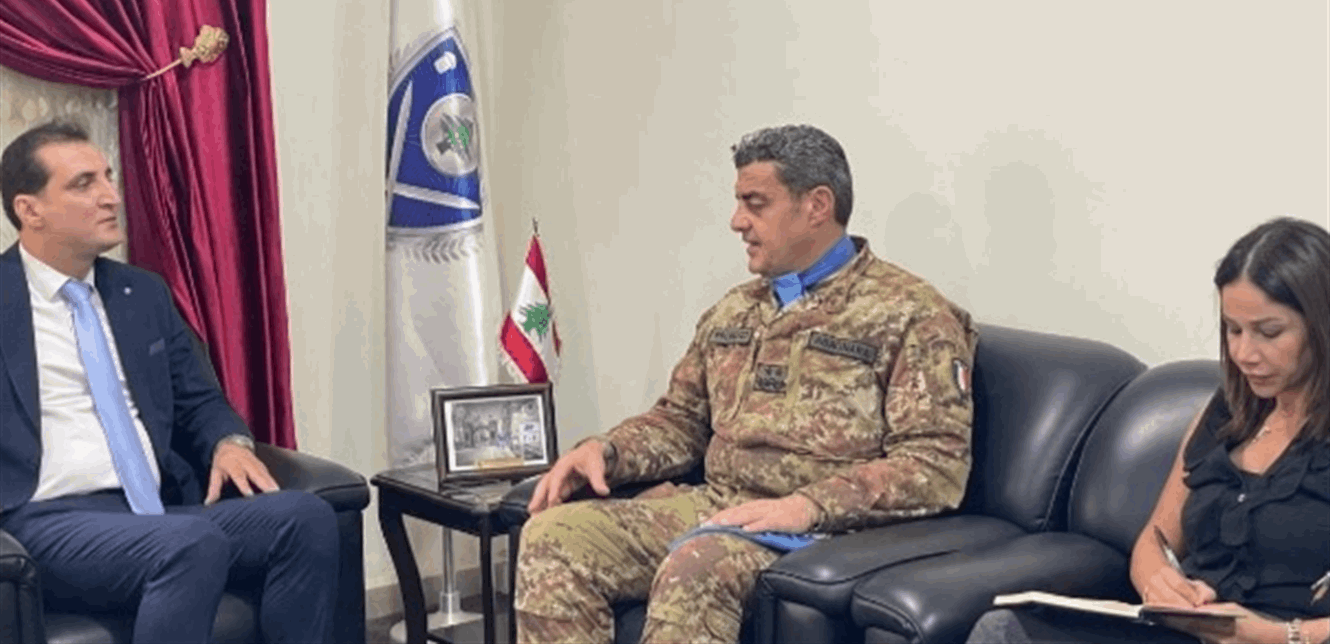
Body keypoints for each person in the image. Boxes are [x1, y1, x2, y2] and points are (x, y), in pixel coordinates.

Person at [514, 124, 979, 644]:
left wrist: (808, 506)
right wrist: (607, 450)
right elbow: (681, 421)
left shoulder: (911, 314)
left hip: (822, 529)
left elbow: (934, 465)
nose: (737, 221)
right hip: (720, 505)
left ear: (816, 205)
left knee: (697, 565)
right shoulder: (735, 310)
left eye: (755, 204)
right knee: (553, 536)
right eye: (739, 203)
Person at [0, 121, 338, 643]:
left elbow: (198, 399)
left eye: (108, 177)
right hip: (47, 520)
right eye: (84, 184)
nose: (111, 196)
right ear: (30, 209)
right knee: (189, 544)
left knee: (305, 517)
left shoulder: (142, 293)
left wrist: (228, 443)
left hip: (154, 510)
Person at [967, 217, 1330, 644]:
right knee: (1003, 631)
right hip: (1190, 630)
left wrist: (1281, 635)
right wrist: (1159, 582)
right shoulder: (1226, 413)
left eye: (1269, 332)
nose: (1244, 353)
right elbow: (1154, 542)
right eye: (1233, 330)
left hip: (1286, 637)